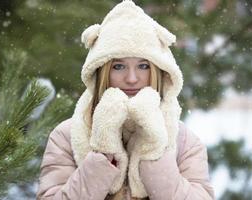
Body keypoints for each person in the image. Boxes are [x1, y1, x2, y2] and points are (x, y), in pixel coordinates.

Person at [37, 0, 215, 199]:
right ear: (102, 72)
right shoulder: (66, 137)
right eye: (118, 66)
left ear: (159, 72)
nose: (131, 78)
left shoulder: (184, 142)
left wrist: (153, 147)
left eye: (143, 66)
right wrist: (103, 150)